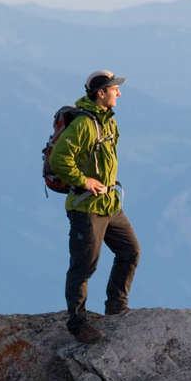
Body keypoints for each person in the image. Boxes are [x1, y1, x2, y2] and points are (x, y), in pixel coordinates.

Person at [49, 69, 138, 344]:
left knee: (129, 251)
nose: (119, 93)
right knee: (83, 266)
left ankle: (116, 307)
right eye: (114, 89)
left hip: (110, 203)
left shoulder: (108, 122)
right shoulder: (85, 124)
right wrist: (83, 180)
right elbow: (59, 159)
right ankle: (77, 323)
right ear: (101, 93)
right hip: (87, 208)